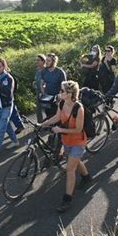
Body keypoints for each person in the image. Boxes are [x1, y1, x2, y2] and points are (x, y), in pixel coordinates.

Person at [40, 81, 92, 213]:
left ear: (69, 94)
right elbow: (57, 117)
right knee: (75, 161)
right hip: (66, 140)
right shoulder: (62, 103)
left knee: (70, 169)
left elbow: (79, 129)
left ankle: (67, 200)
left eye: (62, 91)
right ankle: (86, 177)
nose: (60, 93)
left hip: (78, 141)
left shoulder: (78, 108)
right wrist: (43, 124)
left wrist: (59, 130)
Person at [40, 53, 67, 119]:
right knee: (48, 115)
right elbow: (41, 83)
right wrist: (43, 93)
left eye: (48, 61)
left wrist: (60, 95)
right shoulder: (44, 71)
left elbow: (64, 86)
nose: (46, 62)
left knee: (57, 116)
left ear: (53, 61)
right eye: (46, 60)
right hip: (48, 97)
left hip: (57, 98)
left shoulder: (60, 72)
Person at [34, 54, 46, 123]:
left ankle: (49, 123)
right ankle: (40, 123)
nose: (37, 61)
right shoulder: (37, 69)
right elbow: (37, 79)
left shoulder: (45, 70)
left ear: (43, 61)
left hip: (44, 91)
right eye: (36, 60)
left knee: (46, 108)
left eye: (38, 60)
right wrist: (35, 83)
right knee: (38, 108)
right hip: (38, 90)